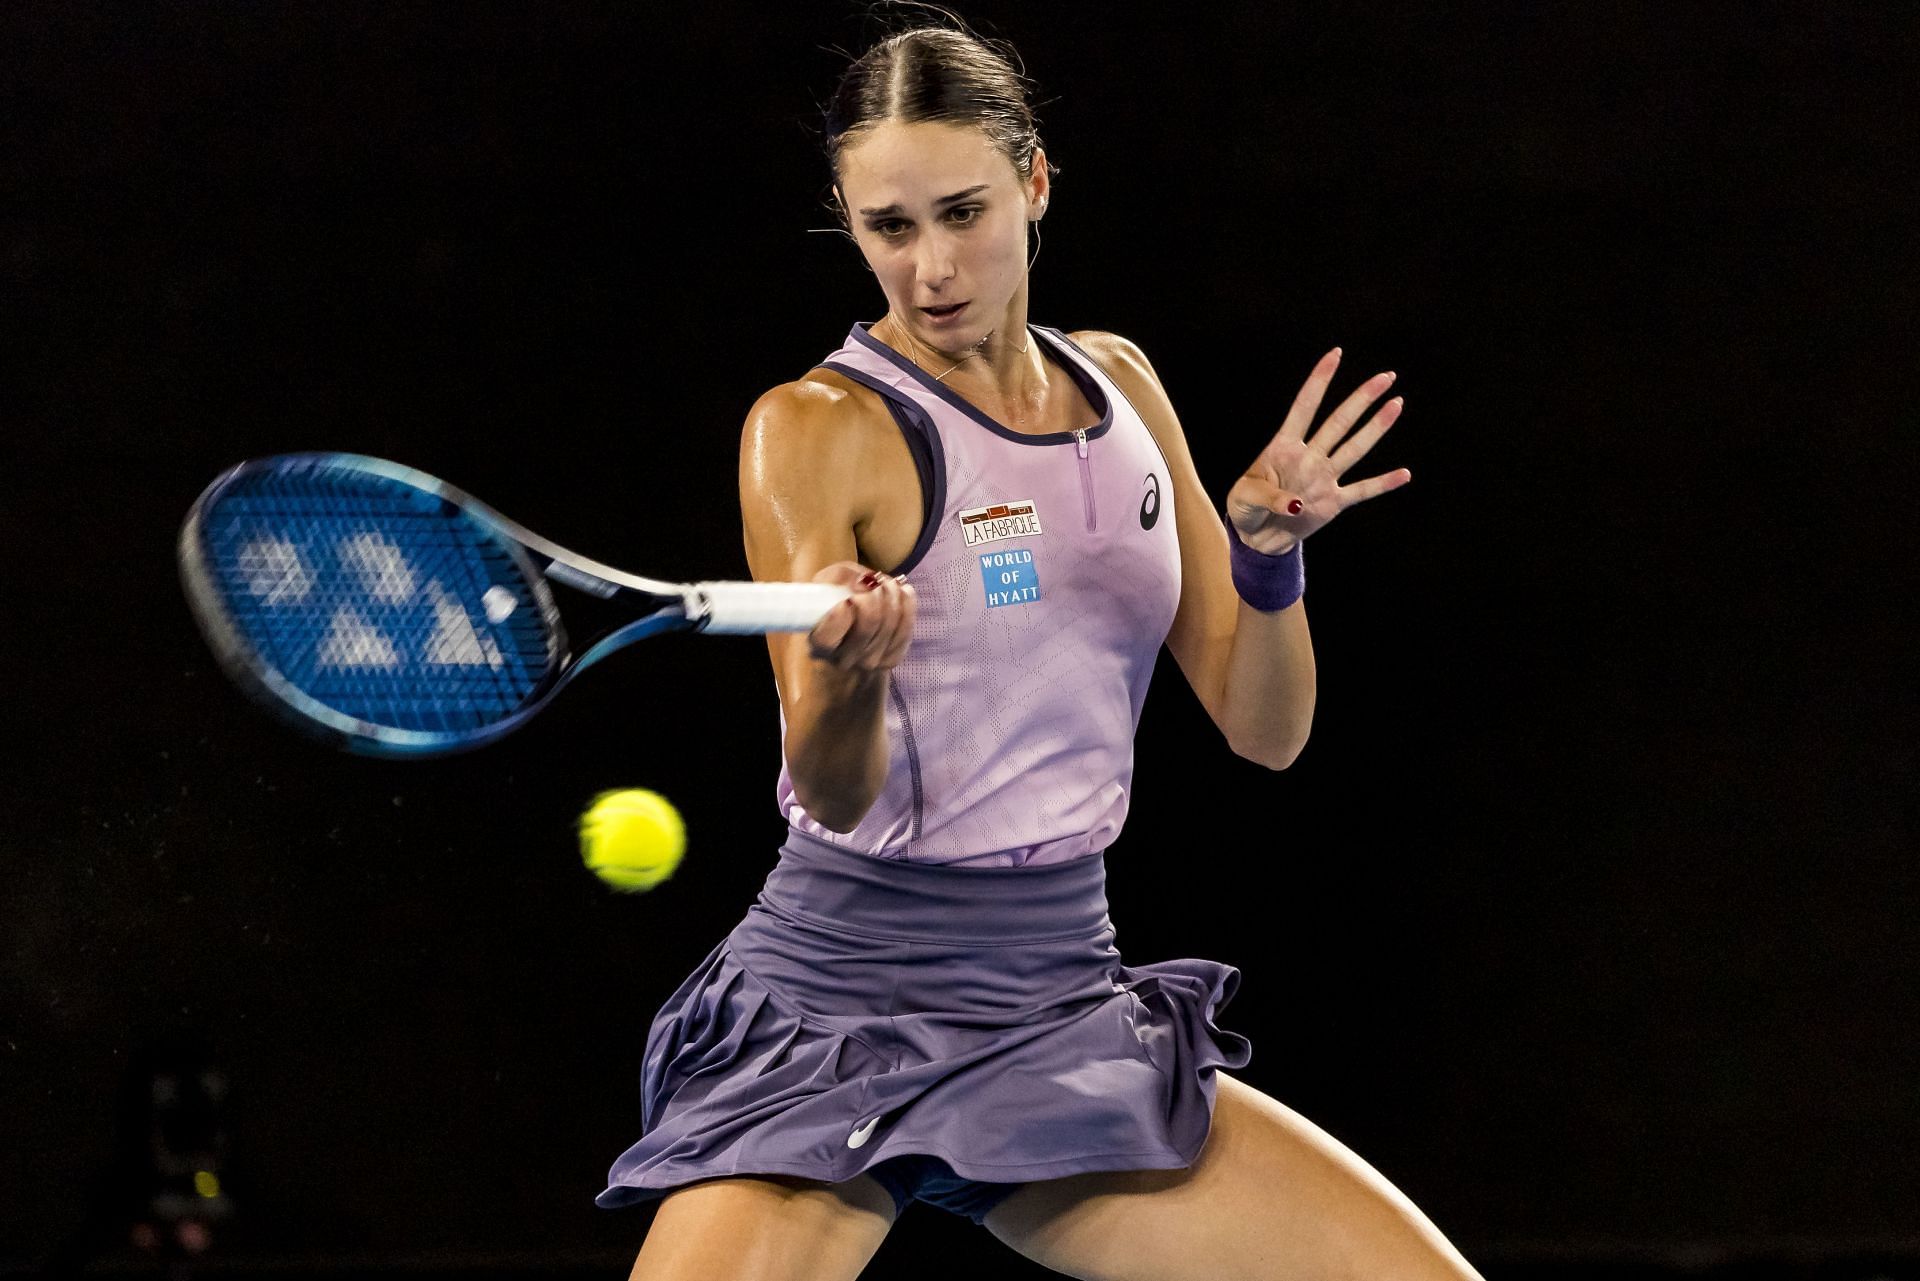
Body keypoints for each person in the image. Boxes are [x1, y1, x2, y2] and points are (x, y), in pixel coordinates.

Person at [599, 19, 1481, 1281]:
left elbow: (1263, 728)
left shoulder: (1122, 386)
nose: (931, 267)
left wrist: (1266, 560)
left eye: (962, 213)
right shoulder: (812, 430)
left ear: (1037, 180)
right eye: (888, 229)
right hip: (834, 1013)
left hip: (1059, 1007)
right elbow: (835, 788)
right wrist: (853, 677)